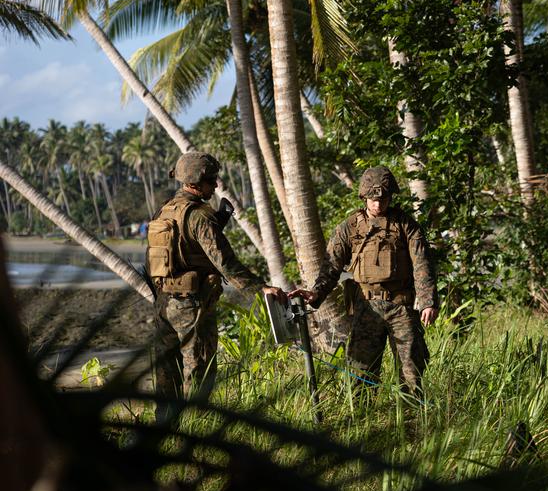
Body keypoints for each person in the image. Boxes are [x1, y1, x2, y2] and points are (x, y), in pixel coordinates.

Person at [147, 151, 285, 423]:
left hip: (164, 302)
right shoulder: (200, 215)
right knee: (198, 368)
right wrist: (261, 289)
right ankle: (194, 427)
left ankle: (164, 425)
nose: (216, 185)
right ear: (196, 183)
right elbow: (226, 263)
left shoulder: (164, 209)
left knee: (167, 370)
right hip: (192, 305)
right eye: (212, 180)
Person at [291, 166, 438, 397]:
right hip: (366, 307)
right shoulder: (349, 227)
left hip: (401, 306)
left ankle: (414, 424)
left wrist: (428, 301)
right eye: (373, 199)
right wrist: (316, 293)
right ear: (364, 197)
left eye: (383, 199)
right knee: (360, 375)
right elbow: (331, 266)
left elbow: (422, 264)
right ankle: (363, 422)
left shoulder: (406, 225)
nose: (378, 204)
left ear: (390, 197)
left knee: (412, 373)